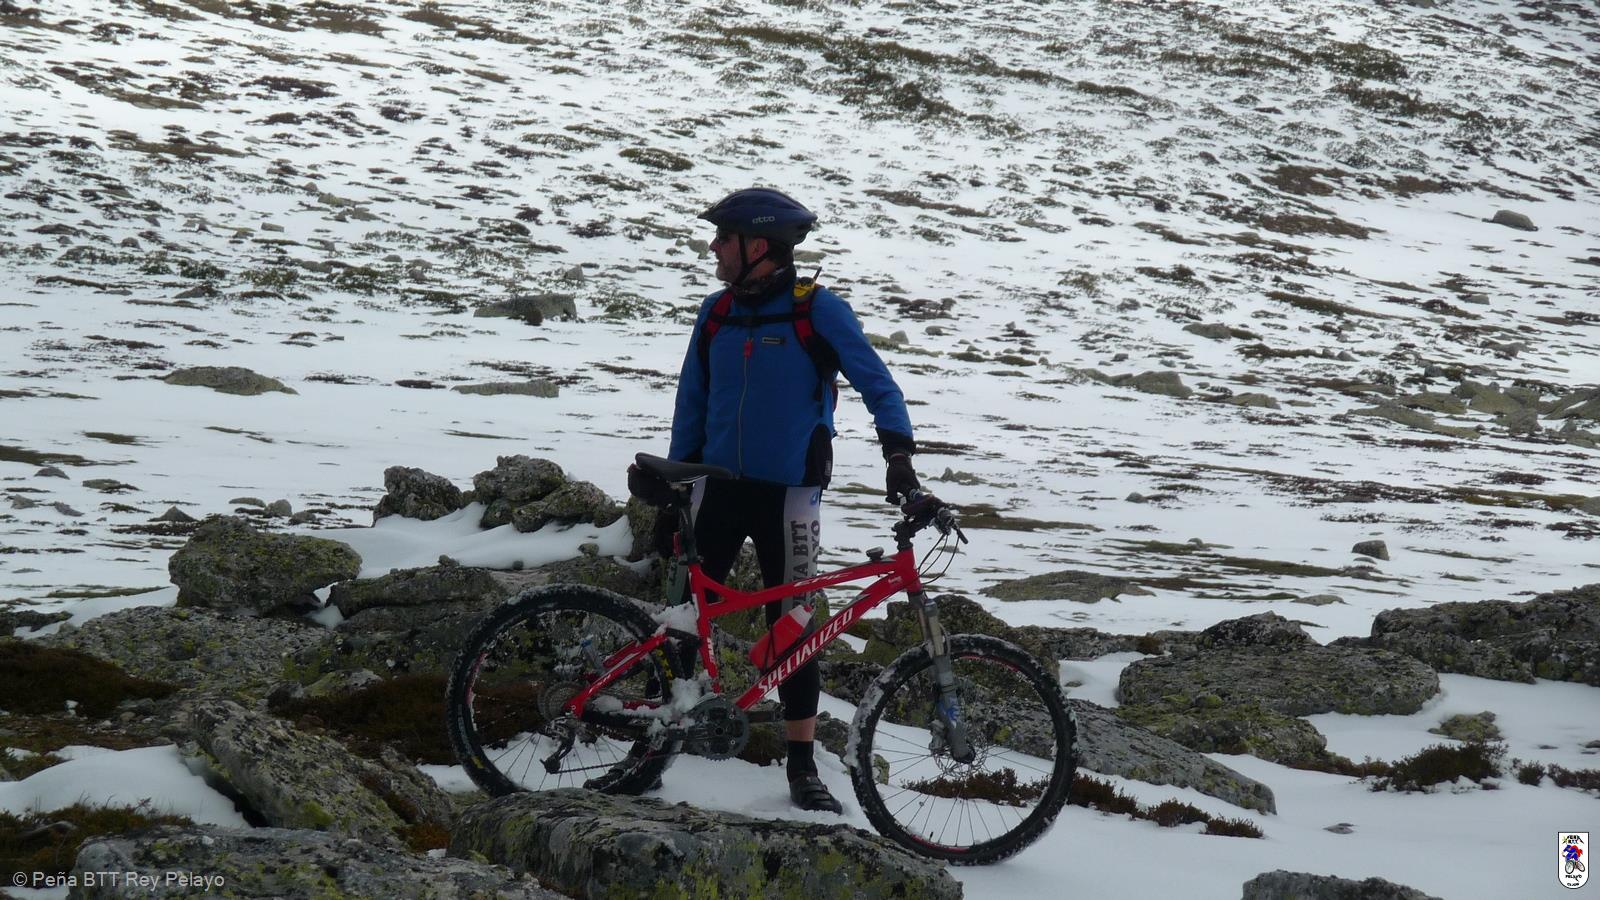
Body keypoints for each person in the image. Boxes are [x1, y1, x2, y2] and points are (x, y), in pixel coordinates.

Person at [639, 187, 920, 813]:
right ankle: (656, 746)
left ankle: (801, 765)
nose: (713, 247)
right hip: (716, 489)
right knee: (683, 620)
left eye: (724, 238)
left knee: (793, 629)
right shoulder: (716, 312)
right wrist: (675, 492)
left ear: (757, 245)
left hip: (791, 495)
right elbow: (692, 402)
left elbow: (876, 381)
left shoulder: (815, 310)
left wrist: (898, 452)